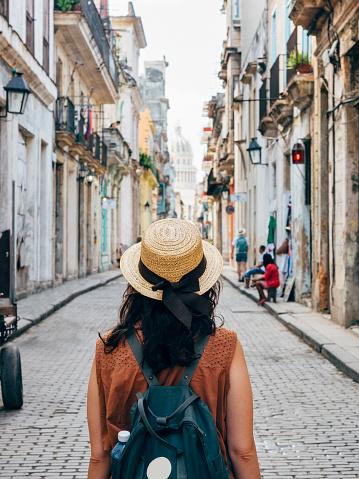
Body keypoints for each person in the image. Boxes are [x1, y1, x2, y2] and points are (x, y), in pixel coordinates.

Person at [87, 219, 261, 479]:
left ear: (138, 286)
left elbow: (100, 455)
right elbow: (242, 451)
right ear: (203, 283)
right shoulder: (225, 346)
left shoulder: (108, 349)